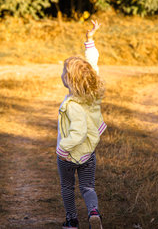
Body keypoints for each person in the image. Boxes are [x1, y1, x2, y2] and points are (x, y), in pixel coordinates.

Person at [56, 20, 106, 229]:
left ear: (70, 81)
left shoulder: (72, 105)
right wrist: (89, 40)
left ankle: (71, 220)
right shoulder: (92, 94)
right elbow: (92, 65)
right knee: (87, 186)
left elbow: (78, 132)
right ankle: (93, 212)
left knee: (67, 187)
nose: (62, 75)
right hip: (89, 152)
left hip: (69, 155)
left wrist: (62, 148)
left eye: (64, 73)